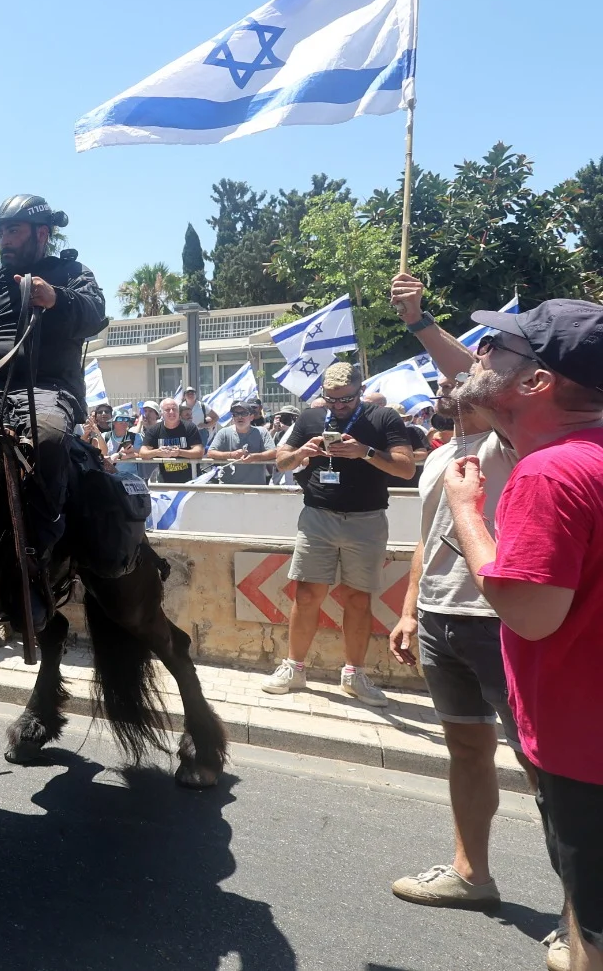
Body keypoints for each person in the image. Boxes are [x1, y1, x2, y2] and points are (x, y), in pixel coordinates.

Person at [442, 298, 603, 971]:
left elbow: (529, 611)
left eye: (496, 348)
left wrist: (466, 511)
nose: (478, 354)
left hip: (585, 750)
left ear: (537, 382)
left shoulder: (551, 472)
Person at [385, 375, 531, 917]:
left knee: (542, 764)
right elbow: (428, 537)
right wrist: (408, 610)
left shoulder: (508, 442)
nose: (449, 382)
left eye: (464, 376)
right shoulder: (437, 457)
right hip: (440, 618)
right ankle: (471, 876)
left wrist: (421, 320)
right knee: (467, 751)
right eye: (444, 379)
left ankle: (585, 914)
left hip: (500, 621)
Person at [0, 193, 108, 627]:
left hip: (46, 391)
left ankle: (33, 561)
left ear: (41, 234)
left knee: (45, 438)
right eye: (0, 233)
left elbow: (95, 314)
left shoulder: (71, 273)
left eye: (13, 231)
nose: (3, 240)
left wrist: (57, 298)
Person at [262, 362, 415, 707]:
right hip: (318, 517)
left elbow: (406, 468)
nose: (338, 406)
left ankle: (354, 674)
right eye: (331, 400)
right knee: (306, 595)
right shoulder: (310, 418)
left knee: (358, 599)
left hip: (367, 520)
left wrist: (366, 452)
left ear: (360, 390)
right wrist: (302, 453)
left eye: (345, 399)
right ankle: (294, 668)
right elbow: (282, 461)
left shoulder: (383, 418)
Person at [207, 401, 277, 484]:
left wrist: (254, 457)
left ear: (251, 417)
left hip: (255, 487)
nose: (239, 417)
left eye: (244, 413)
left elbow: (274, 452)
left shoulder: (262, 432)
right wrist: (232, 455)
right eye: (236, 414)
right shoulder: (223, 432)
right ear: (233, 417)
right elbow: (211, 453)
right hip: (228, 487)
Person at [138, 397, 205, 482]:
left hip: (190, 480)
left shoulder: (190, 427)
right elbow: (142, 453)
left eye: (174, 409)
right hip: (165, 481)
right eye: (167, 409)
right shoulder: (154, 430)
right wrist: (158, 452)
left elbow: (199, 452)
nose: (172, 412)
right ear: (161, 413)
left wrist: (179, 452)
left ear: (178, 411)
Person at [102, 411, 145, 477]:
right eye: (120, 419)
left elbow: (141, 453)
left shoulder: (136, 437)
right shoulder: (104, 436)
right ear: (113, 422)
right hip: (109, 477)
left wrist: (121, 455)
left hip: (130, 478)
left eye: (126, 419)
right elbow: (99, 455)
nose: (124, 422)